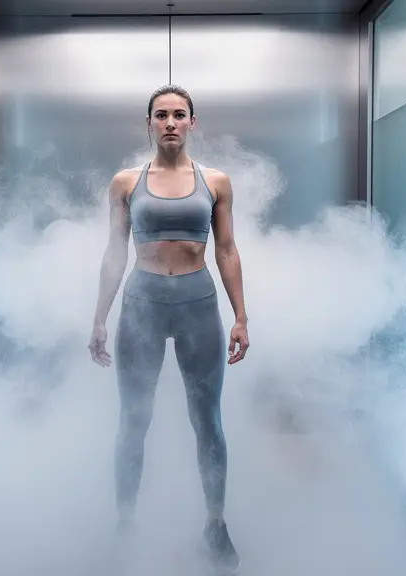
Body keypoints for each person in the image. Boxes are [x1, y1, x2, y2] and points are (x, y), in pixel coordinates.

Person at [88, 84, 250, 573]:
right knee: (133, 419)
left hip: (198, 304)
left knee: (208, 420)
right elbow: (114, 252)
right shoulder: (125, 182)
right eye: (162, 115)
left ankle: (215, 524)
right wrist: (99, 318)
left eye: (179, 114)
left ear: (192, 122)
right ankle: (125, 524)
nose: (171, 123)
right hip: (143, 304)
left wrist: (241, 316)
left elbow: (227, 250)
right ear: (150, 123)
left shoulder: (215, 181)